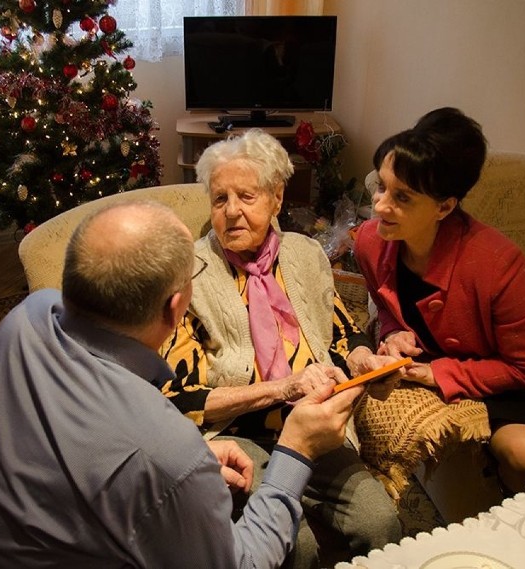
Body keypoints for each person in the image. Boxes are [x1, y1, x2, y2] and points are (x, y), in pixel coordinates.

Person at [0, 200, 367, 569]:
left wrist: (186, 462)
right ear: (176, 306)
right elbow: (240, 561)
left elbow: (77, 452)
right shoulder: (162, 450)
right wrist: (297, 450)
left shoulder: (26, 317)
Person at [159, 128, 403, 564]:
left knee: (380, 522)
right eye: (220, 199)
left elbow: (342, 331)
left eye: (246, 197)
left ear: (276, 198)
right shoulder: (188, 274)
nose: (231, 212)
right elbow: (179, 398)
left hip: (314, 423)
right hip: (236, 435)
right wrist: (283, 388)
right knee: (297, 545)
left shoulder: (306, 255)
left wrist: (366, 359)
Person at [354, 106, 525, 494]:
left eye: (402, 198)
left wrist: (437, 373)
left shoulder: (497, 262)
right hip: (498, 384)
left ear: (445, 206)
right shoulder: (371, 242)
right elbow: (389, 307)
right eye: (382, 187)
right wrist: (394, 333)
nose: (379, 206)